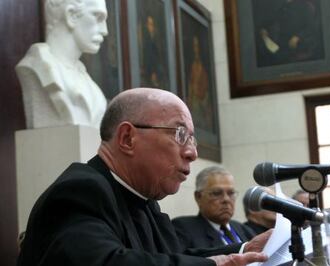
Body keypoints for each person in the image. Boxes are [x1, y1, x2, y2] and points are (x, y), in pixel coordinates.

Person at [17, 88, 270, 266]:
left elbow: (174, 255)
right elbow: (108, 262)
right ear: (127, 138)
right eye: (180, 134)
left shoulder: (144, 198)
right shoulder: (80, 191)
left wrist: (244, 249)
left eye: (192, 139)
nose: (192, 153)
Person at [15, 0, 108, 129]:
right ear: (71, 15)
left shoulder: (89, 83)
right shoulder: (35, 66)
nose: (105, 30)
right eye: (98, 17)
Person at [172, 166, 256, 249]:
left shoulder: (245, 230)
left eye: (231, 193)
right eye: (216, 193)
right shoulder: (183, 229)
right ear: (198, 197)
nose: (226, 199)